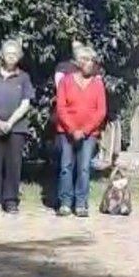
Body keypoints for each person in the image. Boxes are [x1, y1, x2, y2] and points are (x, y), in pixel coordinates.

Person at [0, 40, 35, 214]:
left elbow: (26, 103)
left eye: (14, 53)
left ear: (19, 57)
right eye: (8, 52)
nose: (11, 56)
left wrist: (10, 122)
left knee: (13, 164)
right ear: (2, 55)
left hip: (16, 128)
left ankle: (10, 201)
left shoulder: (24, 77)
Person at [55, 46, 107, 217]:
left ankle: (81, 203)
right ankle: (65, 202)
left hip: (89, 134)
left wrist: (84, 131)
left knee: (84, 168)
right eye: (85, 59)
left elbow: (101, 111)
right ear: (78, 62)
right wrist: (72, 129)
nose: (89, 63)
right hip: (66, 132)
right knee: (66, 166)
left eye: (92, 60)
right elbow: (61, 108)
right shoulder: (65, 81)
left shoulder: (98, 84)